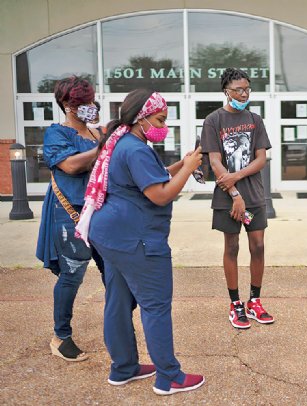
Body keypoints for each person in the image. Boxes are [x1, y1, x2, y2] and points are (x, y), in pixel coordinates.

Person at [75, 89, 205, 395]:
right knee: (155, 305)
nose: (164, 126)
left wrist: (181, 165)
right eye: (160, 119)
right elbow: (159, 195)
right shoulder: (135, 149)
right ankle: (169, 377)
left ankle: (124, 368)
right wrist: (188, 168)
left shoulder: (123, 140)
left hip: (110, 236)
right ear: (141, 118)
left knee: (118, 301)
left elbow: (155, 177)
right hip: (137, 239)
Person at [35, 75, 105, 362]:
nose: (88, 105)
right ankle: (61, 336)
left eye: (90, 100)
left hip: (102, 213)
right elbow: (71, 166)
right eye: (81, 102)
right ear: (66, 104)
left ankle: (119, 327)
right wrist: (102, 148)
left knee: (113, 272)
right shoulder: (57, 134)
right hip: (71, 215)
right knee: (72, 275)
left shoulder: (98, 132)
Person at [201, 68, 274, 329]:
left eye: (247, 89)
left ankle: (255, 301)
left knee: (258, 246)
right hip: (226, 200)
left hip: (253, 197)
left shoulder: (255, 120)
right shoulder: (213, 120)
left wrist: (237, 178)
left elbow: (261, 158)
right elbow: (214, 161)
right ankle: (235, 304)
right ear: (226, 92)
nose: (243, 93)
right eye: (238, 90)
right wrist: (234, 193)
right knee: (231, 247)